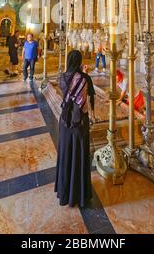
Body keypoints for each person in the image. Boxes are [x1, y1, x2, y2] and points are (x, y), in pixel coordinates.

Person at [55, 50, 95, 207]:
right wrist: (84, 74)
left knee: (65, 154)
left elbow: (67, 87)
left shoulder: (62, 77)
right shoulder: (85, 79)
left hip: (65, 121)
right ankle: (79, 194)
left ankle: (64, 193)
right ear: (79, 61)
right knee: (79, 155)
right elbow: (89, 98)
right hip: (79, 122)